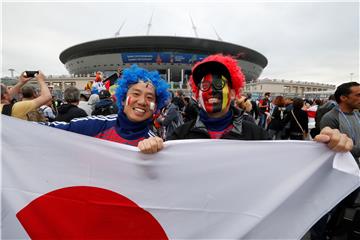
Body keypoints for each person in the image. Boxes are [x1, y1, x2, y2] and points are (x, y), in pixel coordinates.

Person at [168, 54, 353, 152]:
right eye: (205, 85)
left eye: (219, 84)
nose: (211, 91)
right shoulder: (180, 136)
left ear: (233, 93)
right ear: (197, 94)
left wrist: (325, 148)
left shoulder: (255, 135)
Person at [45, 64, 170, 154]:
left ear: (155, 107)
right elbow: (46, 132)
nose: (142, 102)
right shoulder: (96, 125)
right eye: (136, 94)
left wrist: (156, 153)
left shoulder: (155, 146)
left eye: (149, 97)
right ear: (122, 99)